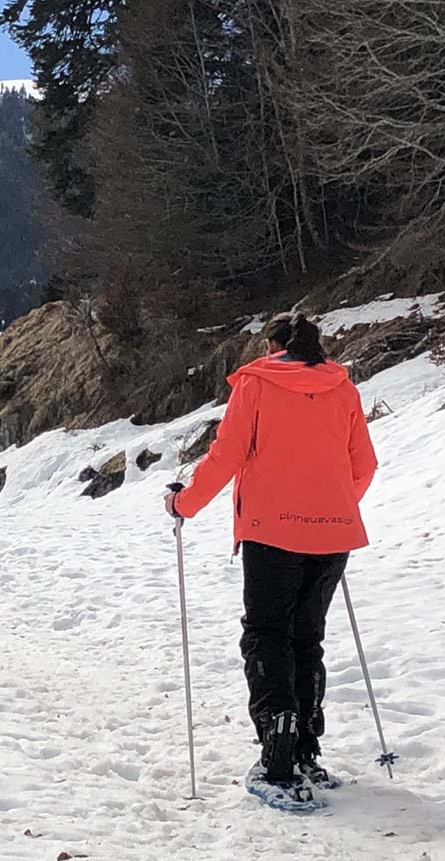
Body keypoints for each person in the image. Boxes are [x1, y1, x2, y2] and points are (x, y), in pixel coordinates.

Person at [165, 313, 378, 796]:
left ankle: (277, 748)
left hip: (271, 534)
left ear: (273, 345)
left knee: (266, 634)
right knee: (308, 638)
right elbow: (363, 464)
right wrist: (334, 506)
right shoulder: (343, 388)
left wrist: (183, 503)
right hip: (333, 535)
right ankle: (305, 747)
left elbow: (227, 455)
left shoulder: (257, 383)